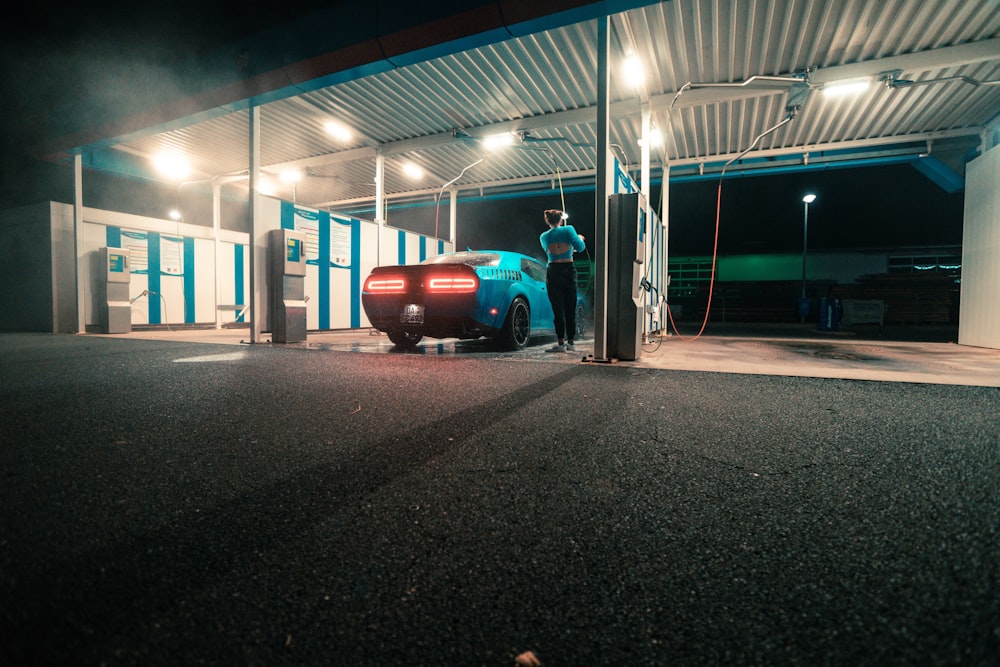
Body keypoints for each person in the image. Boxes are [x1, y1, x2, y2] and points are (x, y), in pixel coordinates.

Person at [539, 209, 586, 352]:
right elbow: (580, 248)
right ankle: (571, 342)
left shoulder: (543, 236)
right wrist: (580, 238)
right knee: (570, 305)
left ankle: (560, 343)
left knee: (557, 307)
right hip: (568, 269)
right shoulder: (569, 229)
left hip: (553, 271)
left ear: (548, 221)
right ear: (560, 220)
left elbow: (550, 251)